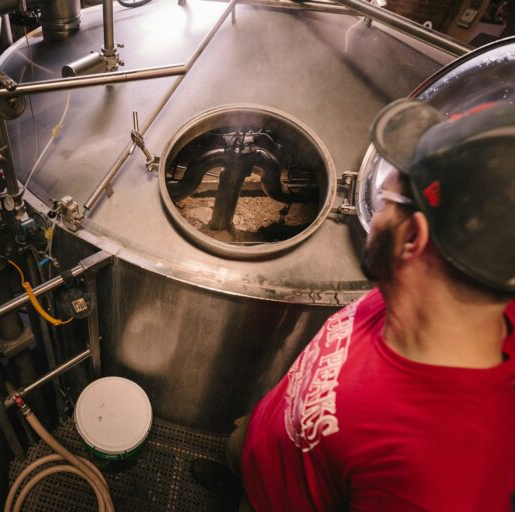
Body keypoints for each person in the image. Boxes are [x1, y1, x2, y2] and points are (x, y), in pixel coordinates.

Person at [192, 98, 515, 511]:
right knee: (242, 455)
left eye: (385, 198)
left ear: (413, 240)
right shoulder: (451, 289)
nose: (374, 215)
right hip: (271, 441)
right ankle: (239, 470)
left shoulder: (443, 481)